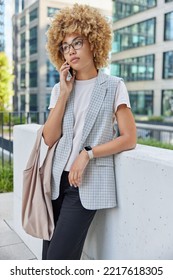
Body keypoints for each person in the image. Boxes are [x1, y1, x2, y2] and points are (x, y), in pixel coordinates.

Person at [42, 3, 136, 260]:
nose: (70, 51)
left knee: (57, 259)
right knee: (49, 256)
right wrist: (63, 94)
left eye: (77, 42)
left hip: (87, 183)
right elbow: (49, 138)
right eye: (65, 46)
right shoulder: (59, 89)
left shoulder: (114, 85)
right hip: (56, 183)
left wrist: (88, 154)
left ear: (94, 42)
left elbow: (129, 138)